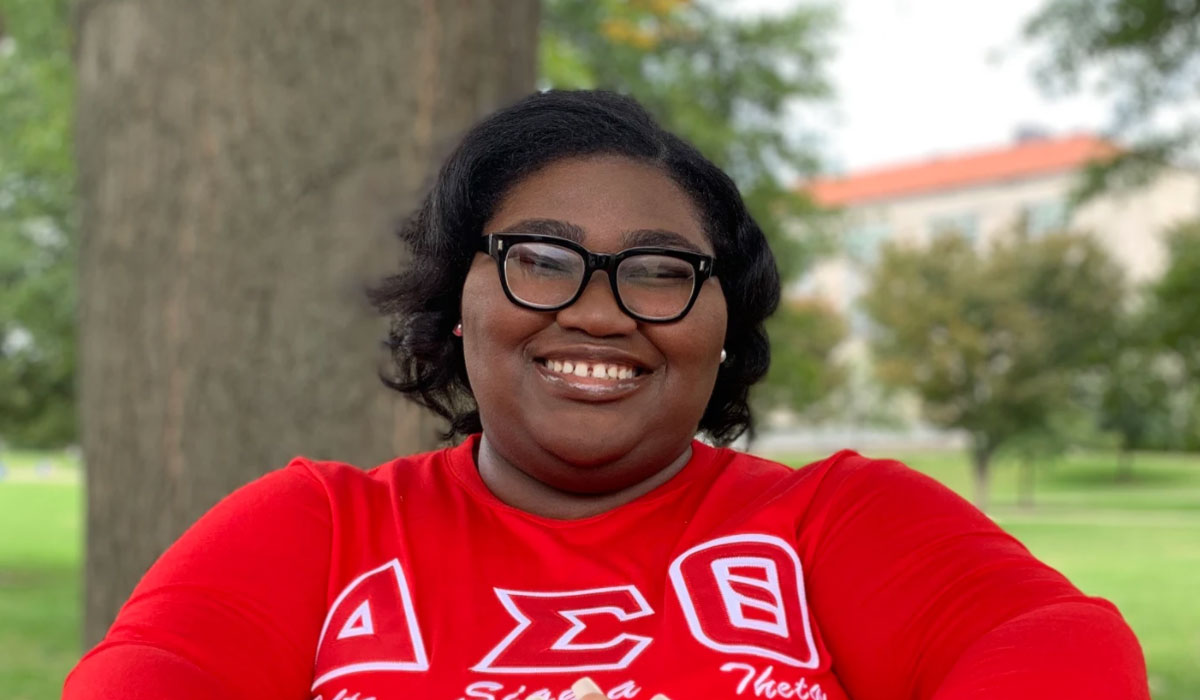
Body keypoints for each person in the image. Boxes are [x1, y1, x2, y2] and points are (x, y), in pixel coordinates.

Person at [64, 90, 1149, 700]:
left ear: (724, 329)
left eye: (662, 269)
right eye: (542, 258)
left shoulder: (841, 522)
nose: (599, 310)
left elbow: (1068, 658)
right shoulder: (317, 527)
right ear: (458, 302)